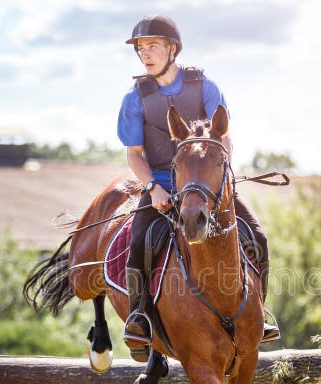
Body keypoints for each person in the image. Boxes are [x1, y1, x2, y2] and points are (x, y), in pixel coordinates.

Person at [117, 15, 279, 358]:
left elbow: (224, 136)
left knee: (258, 237)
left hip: (208, 185)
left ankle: (259, 313)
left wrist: (222, 179)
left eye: (152, 47)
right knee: (140, 243)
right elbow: (134, 155)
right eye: (141, 49)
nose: (145, 55)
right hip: (162, 185)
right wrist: (151, 188)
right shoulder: (135, 98)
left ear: (172, 49)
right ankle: (139, 318)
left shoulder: (204, 86)